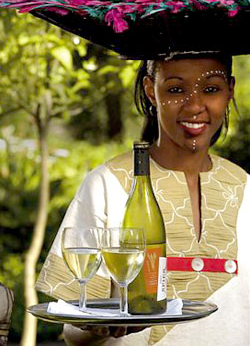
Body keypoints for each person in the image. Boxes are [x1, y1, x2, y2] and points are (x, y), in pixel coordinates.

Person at [36, 51, 250, 346]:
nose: (195, 105)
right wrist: (104, 323)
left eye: (211, 89)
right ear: (152, 91)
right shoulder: (108, 183)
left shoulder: (245, 186)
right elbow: (73, 332)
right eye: (176, 89)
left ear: (230, 91)